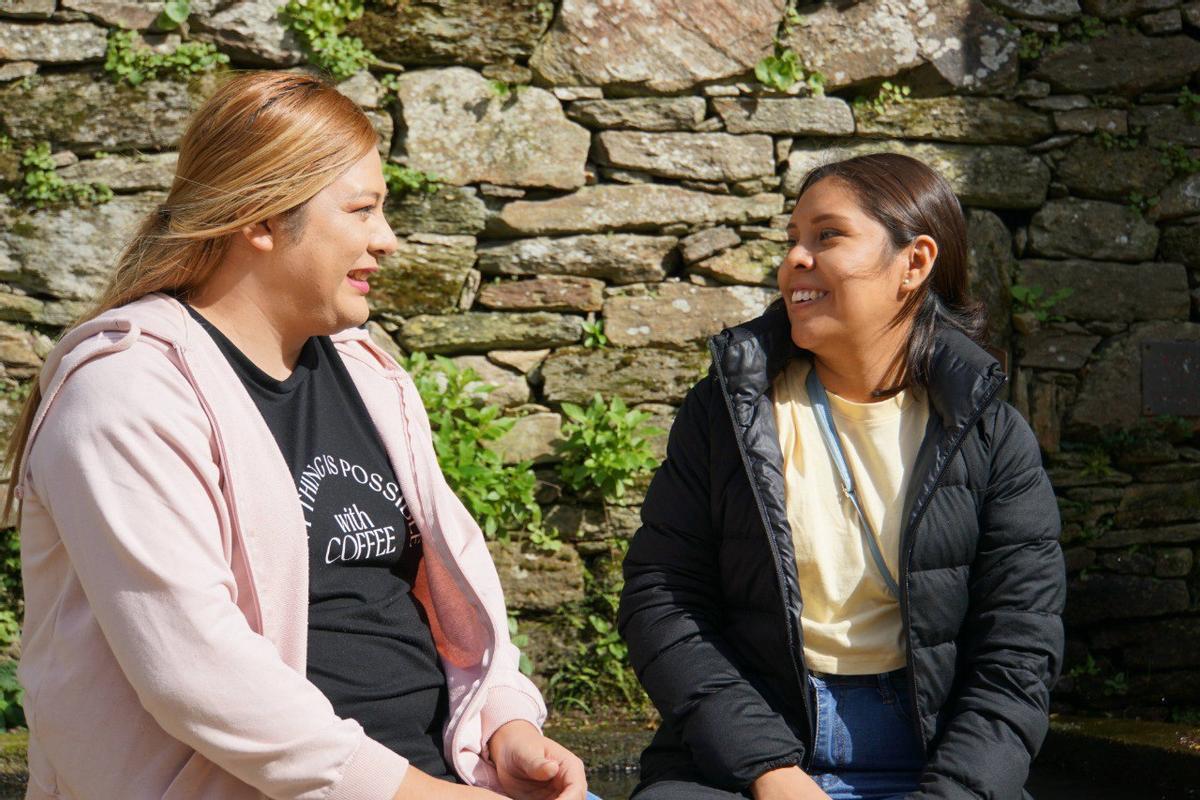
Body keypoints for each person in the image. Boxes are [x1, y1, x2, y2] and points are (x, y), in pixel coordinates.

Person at [6, 70, 594, 800]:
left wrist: (505, 725)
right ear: (259, 220)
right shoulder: (120, 397)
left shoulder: (367, 374)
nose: (388, 240)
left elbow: (455, 588)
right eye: (363, 210)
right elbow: (198, 674)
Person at [617, 153, 1066, 800]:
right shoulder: (727, 414)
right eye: (793, 240)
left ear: (913, 263)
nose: (795, 259)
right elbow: (662, 600)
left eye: (827, 236)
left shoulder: (992, 438)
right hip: (746, 755)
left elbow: (1019, 651)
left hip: (934, 758)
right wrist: (770, 773)